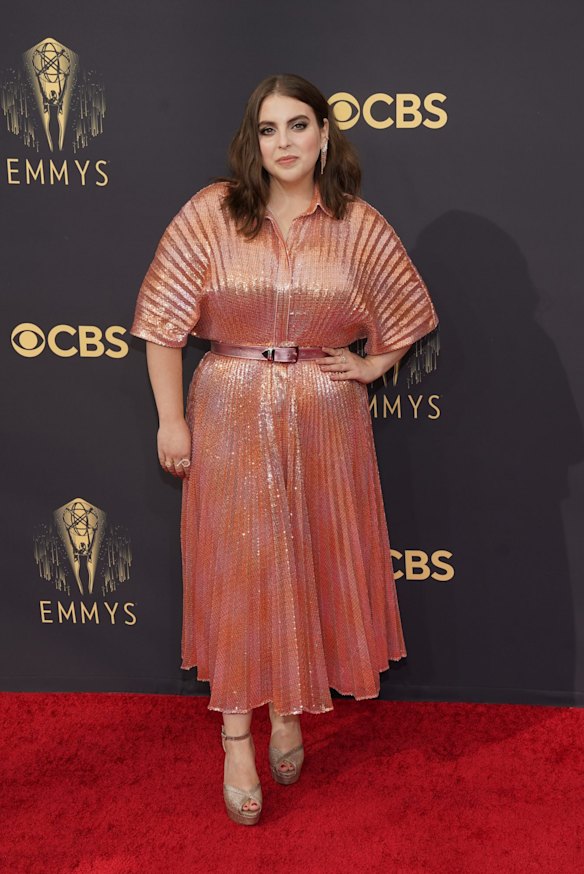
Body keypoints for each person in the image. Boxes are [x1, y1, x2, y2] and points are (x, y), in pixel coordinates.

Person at [129, 72, 439, 826]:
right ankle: (238, 734)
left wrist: (373, 363)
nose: (285, 143)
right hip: (229, 408)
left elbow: (407, 307)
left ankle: (293, 709)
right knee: (239, 569)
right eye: (268, 130)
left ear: (324, 133)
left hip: (326, 418)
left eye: (298, 126)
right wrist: (172, 420)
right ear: (252, 141)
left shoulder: (358, 225)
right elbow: (162, 325)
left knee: (309, 560)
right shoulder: (211, 214)